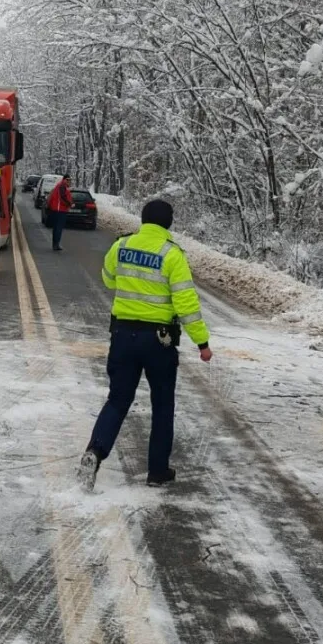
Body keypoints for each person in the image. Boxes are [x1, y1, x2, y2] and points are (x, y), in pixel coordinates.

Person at [77, 199, 212, 491]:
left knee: (118, 399)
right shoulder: (172, 254)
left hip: (123, 335)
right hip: (159, 342)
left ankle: (94, 452)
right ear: (168, 223)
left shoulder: (122, 246)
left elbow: (108, 279)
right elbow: (186, 303)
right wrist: (202, 342)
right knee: (162, 404)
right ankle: (157, 471)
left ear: (143, 219)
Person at [46, 174, 73, 251]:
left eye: (69, 180)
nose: (68, 182)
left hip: (56, 210)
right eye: (67, 180)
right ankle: (56, 244)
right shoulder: (62, 186)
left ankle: (55, 244)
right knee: (58, 228)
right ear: (64, 179)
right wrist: (70, 204)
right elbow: (63, 198)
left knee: (56, 228)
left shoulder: (60, 186)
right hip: (60, 210)